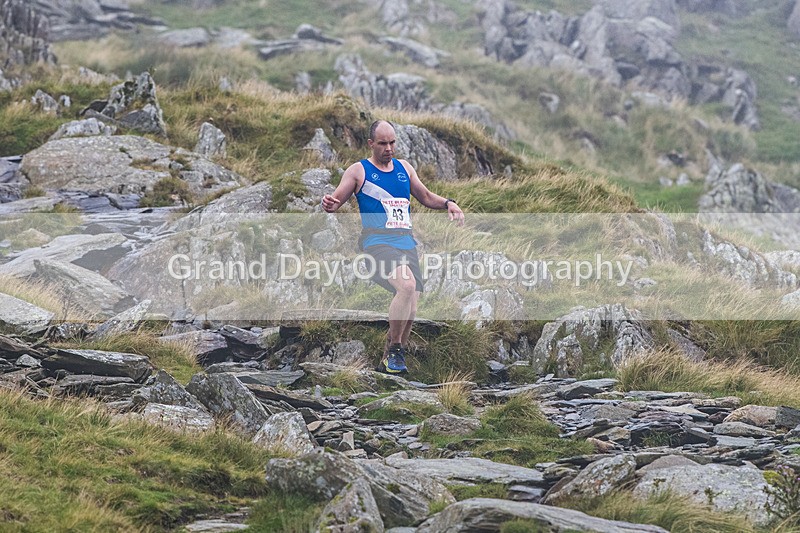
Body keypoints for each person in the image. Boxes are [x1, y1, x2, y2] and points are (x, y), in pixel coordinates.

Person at [322, 120, 465, 374]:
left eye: (392, 142)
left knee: (412, 305)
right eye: (383, 143)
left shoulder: (404, 169)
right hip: (377, 243)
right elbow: (337, 200)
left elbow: (426, 196)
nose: (389, 148)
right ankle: (398, 351)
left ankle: (388, 359)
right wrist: (330, 204)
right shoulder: (359, 171)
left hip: (405, 243)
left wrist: (449, 204)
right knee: (406, 285)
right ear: (371, 144)